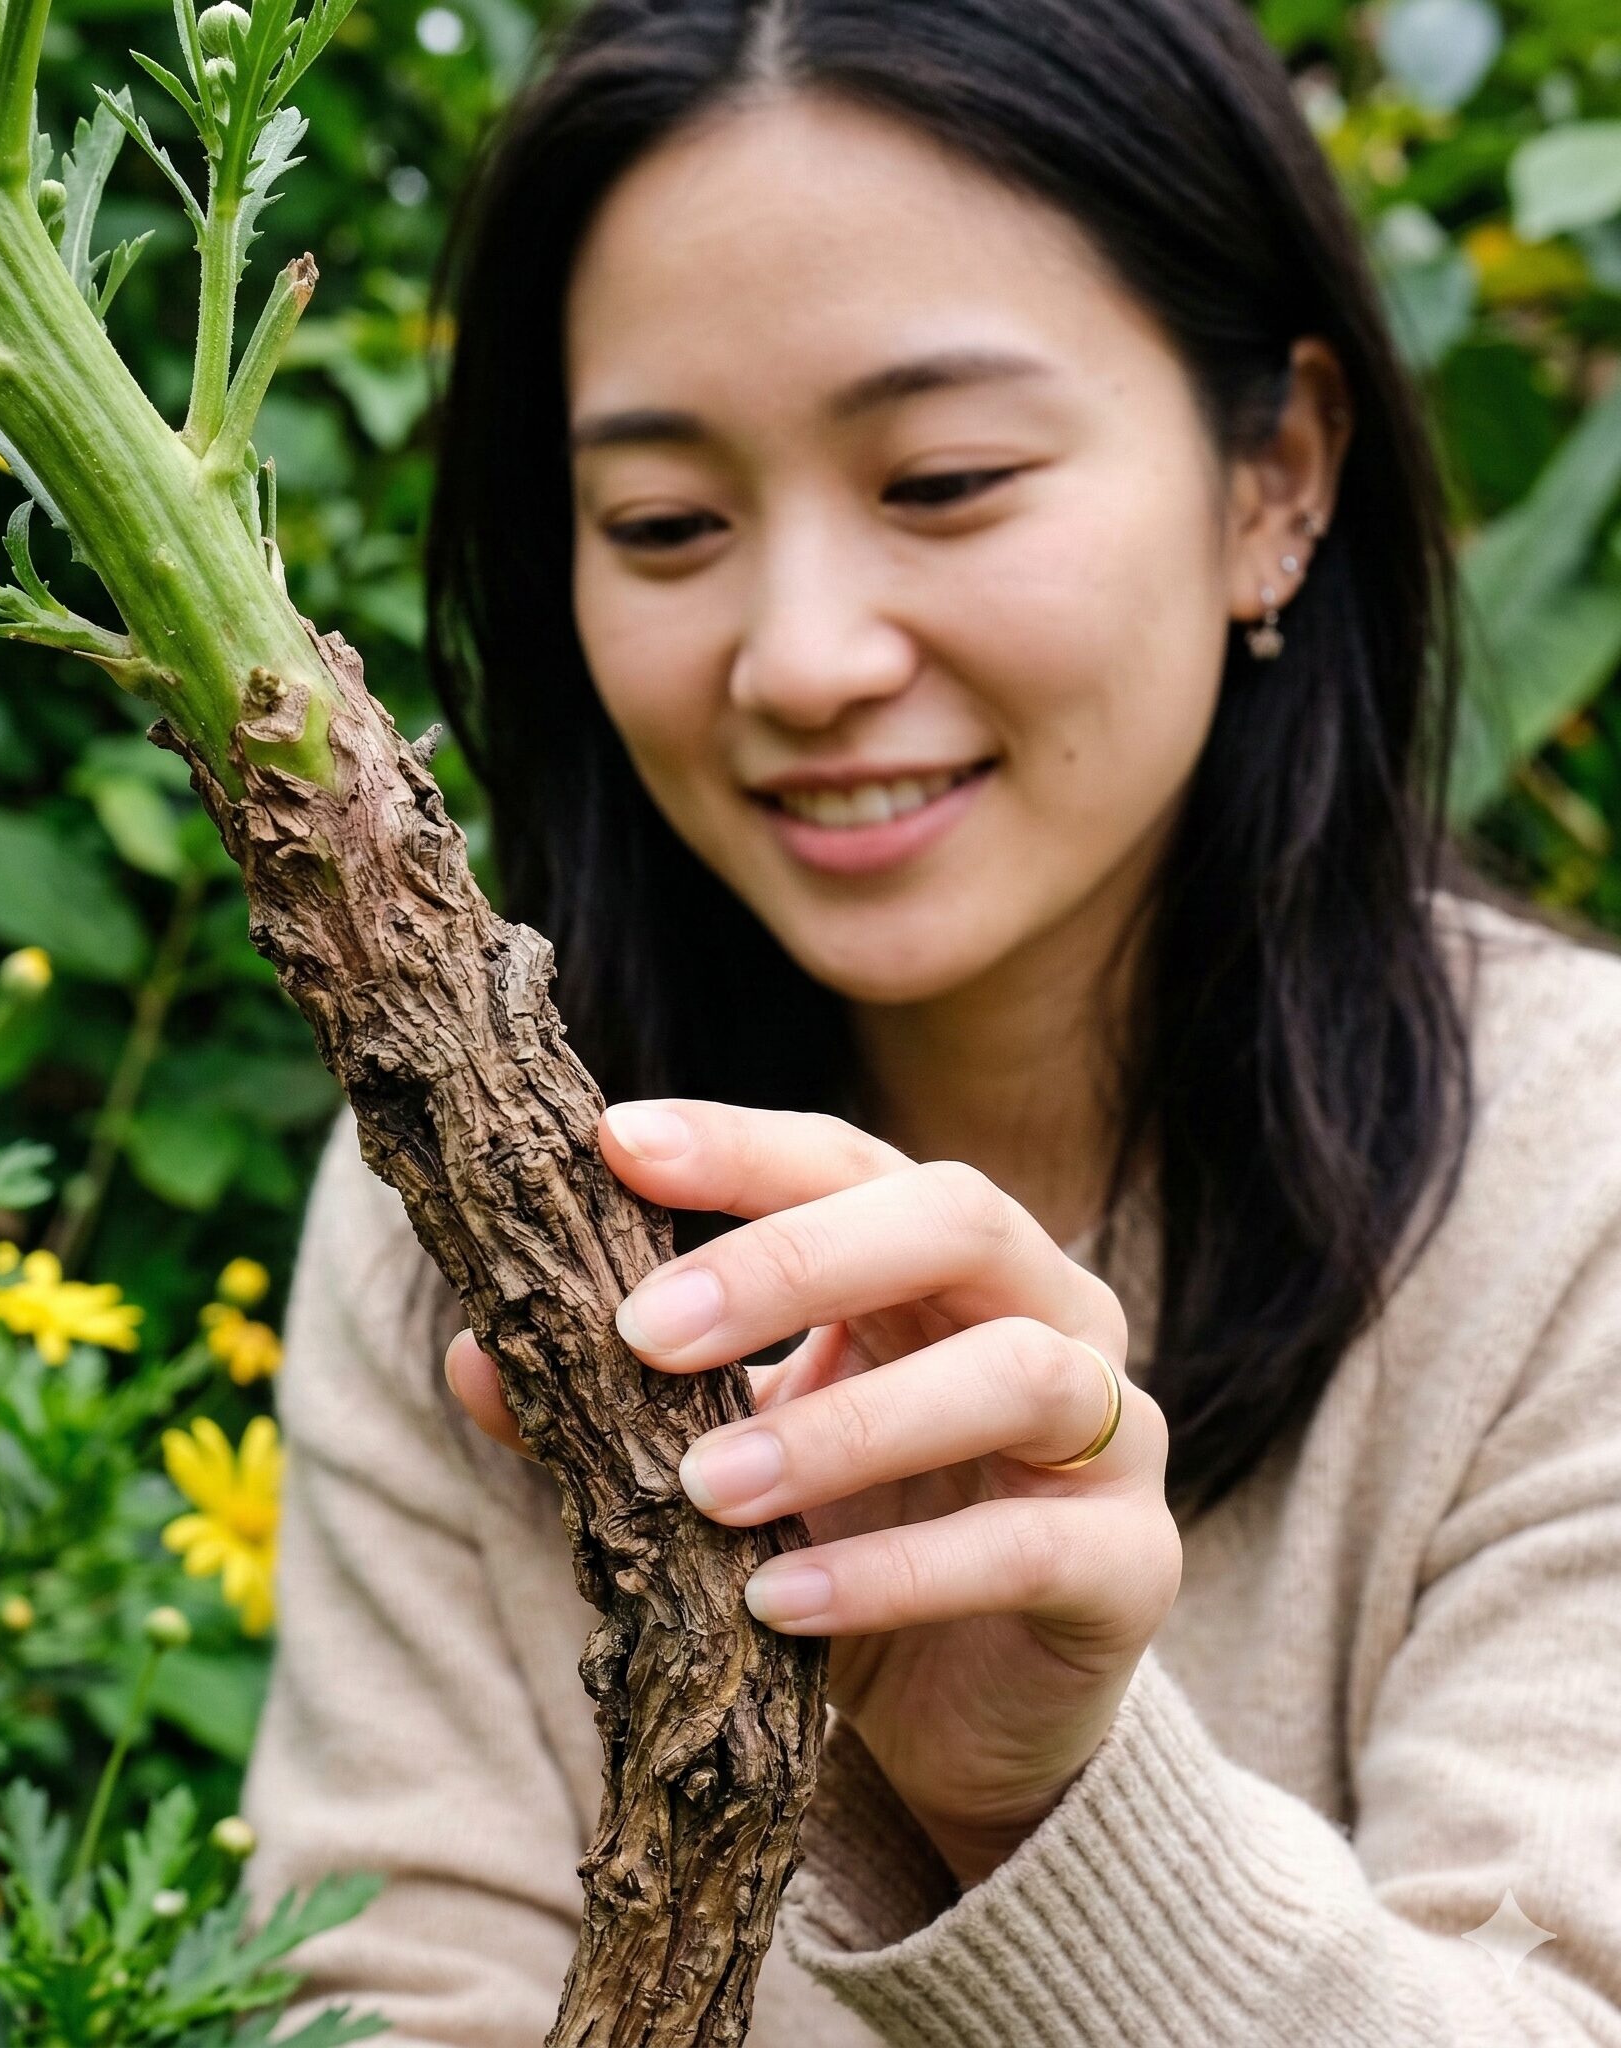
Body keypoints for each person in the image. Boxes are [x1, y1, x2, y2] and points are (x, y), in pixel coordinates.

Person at [242, 2, 1621, 2041]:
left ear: (1279, 476)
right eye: (664, 527)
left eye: (946, 478)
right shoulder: (474, 1215)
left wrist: (1049, 1801)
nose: (799, 657)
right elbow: (368, 1994)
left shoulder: (1577, 1191)